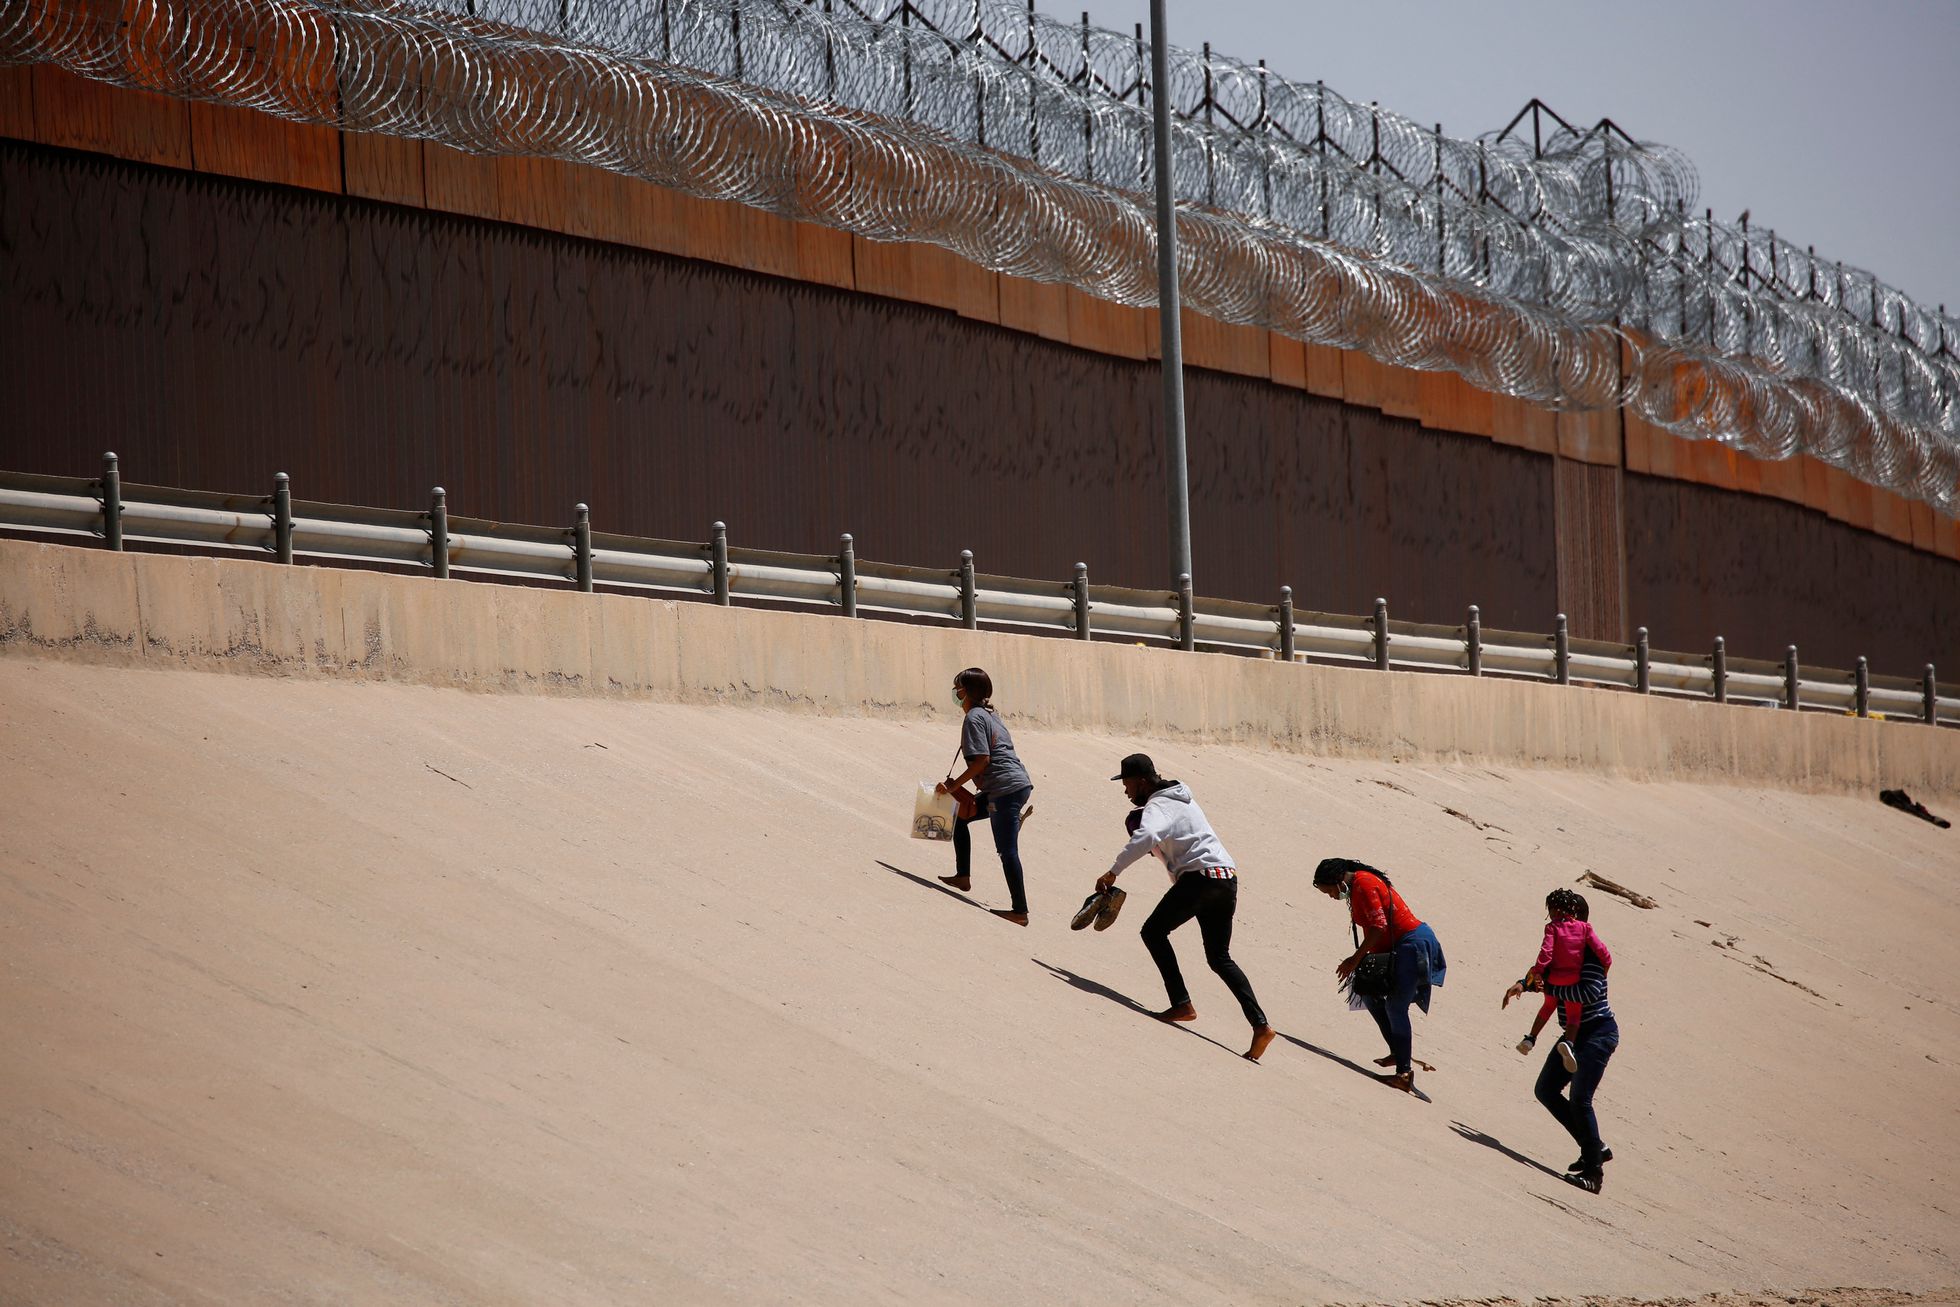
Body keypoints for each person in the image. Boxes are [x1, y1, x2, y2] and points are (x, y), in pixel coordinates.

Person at [1095, 754, 1276, 1062]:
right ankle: (1261, 1025)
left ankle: (1181, 1003)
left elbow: (1147, 835)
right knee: (1219, 957)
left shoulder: (1157, 806)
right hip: (1225, 878)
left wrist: (1113, 871)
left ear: (1140, 781)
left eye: (1126, 783)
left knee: (1153, 932)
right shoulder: (1183, 799)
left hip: (1201, 879)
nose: (1125, 791)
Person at [1504, 890, 1618, 1194]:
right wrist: (1524, 984)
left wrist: (1548, 985)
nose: (1554, 920)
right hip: (1574, 1034)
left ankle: (1594, 1173)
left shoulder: (1591, 958)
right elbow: (1544, 976)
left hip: (1598, 1032)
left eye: (1558, 915)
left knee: (1581, 1100)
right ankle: (1595, 1147)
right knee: (1545, 1090)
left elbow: (1586, 994)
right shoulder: (1566, 955)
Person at [1311, 857, 1446, 1094]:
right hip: (1398, 948)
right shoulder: (1356, 887)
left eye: (1330, 891)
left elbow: (1379, 926)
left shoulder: (1363, 883)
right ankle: (1398, 1050)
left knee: (1396, 1006)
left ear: (1337, 880)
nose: (1332, 897)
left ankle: (1404, 1073)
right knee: (1370, 995)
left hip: (1412, 944)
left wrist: (1355, 959)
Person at [935, 668, 1034, 925]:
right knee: (960, 817)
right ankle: (962, 876)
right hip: (1009, 786)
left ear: (966, 691)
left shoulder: (974, 719)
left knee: (1007, 850)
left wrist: (954, 786)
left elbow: (981, 761)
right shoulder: (989, 715)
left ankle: (1020, 911)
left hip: (1004, 790)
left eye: (957, 687)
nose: (955, 692)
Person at [1517, 888, 1613, 1073]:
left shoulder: (1552, 928)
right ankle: (1569, 1042)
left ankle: (1530, 1038)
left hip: (1554, 977)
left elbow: (1547, 952)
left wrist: (1538, 972)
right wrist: (1606, 966)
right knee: (1573, 1014)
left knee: (1547, 1007)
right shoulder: (1584, 929)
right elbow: (1602, 951)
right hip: (1572, 979)